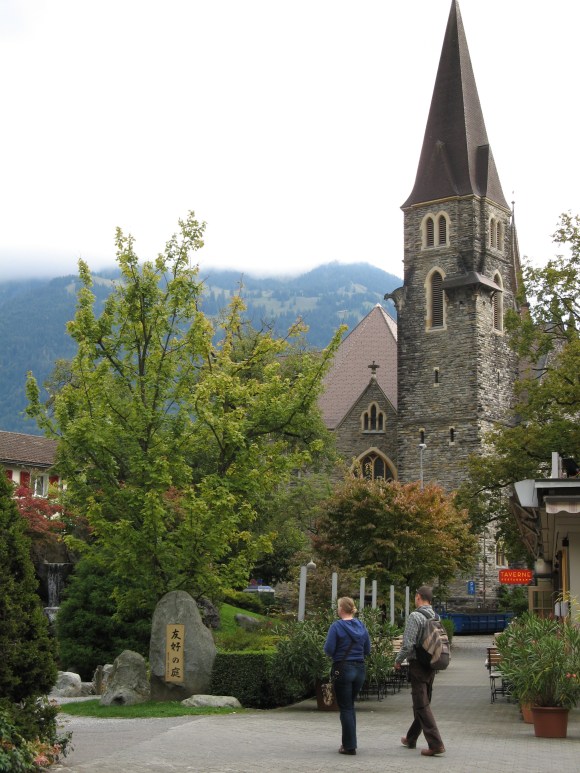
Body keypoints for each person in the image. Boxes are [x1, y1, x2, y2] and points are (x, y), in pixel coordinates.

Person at [394, 585, 445, 757]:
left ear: (418, 597)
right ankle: (411, 738)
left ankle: (436, 743)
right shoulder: (436, 615)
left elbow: (408, 644)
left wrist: (398, 660)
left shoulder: (415, 616)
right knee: (423, 701)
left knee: (421, 704)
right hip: (431, 663)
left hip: (417, 664)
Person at [323, 596, 371, 756]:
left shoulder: (336, 626)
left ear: (342, 609)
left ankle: (349, 746)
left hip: (342, 668)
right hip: (360, 669)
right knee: (350, 706)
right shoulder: (362, 626)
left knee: (346, 707)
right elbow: (367, 650)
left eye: (338, 607)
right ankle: (350, 742)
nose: (337, 609)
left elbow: (328, 649)